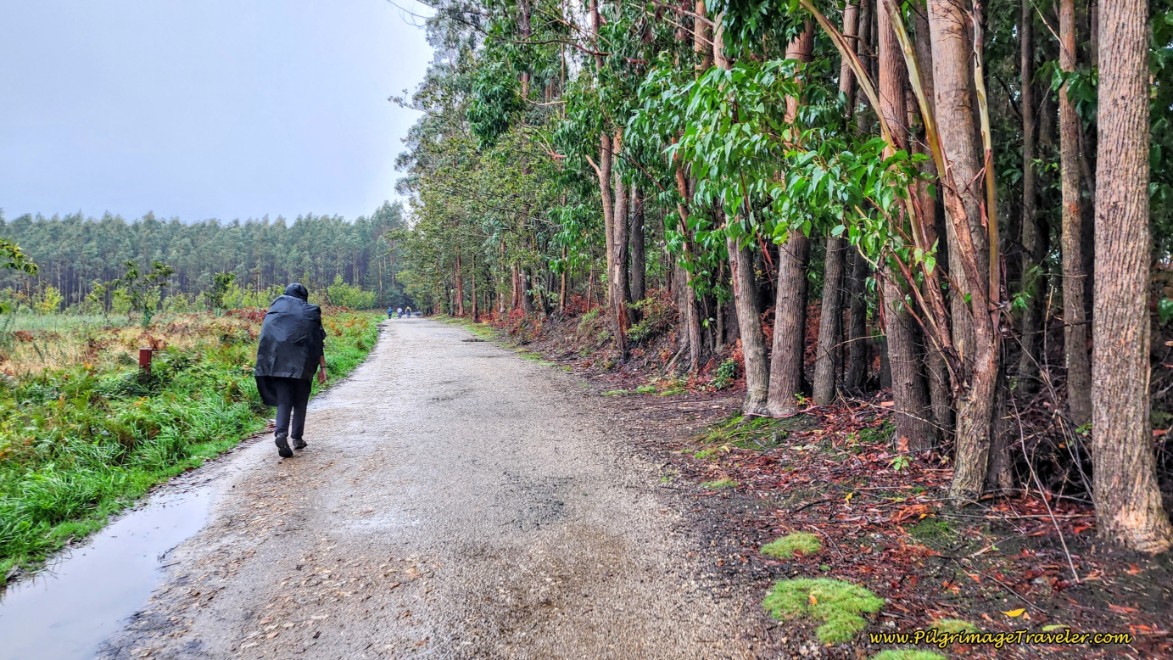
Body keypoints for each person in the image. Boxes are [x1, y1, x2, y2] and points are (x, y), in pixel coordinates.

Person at [254, 283, 327, 458]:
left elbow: (266, 339)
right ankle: (297, 438)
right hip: (303, 365)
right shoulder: (309, 313)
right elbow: (318, 342)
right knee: (300, 401)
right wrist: (323, 368)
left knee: (284, 400)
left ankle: (280, 434)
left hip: (277, 364)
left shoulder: (274, 311)